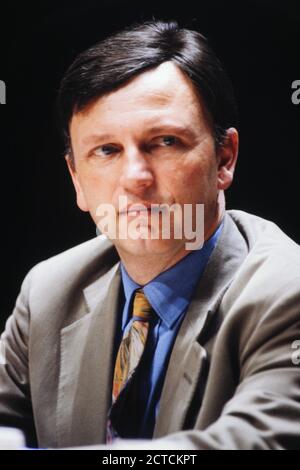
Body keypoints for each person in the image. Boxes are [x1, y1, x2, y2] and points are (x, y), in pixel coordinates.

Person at [0, 20, 300, 450]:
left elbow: (258, 443)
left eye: (164, 142)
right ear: (76, 180)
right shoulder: (48, 290)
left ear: (224, 159)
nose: (135, 178)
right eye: (107, 150)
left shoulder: (288, 290)